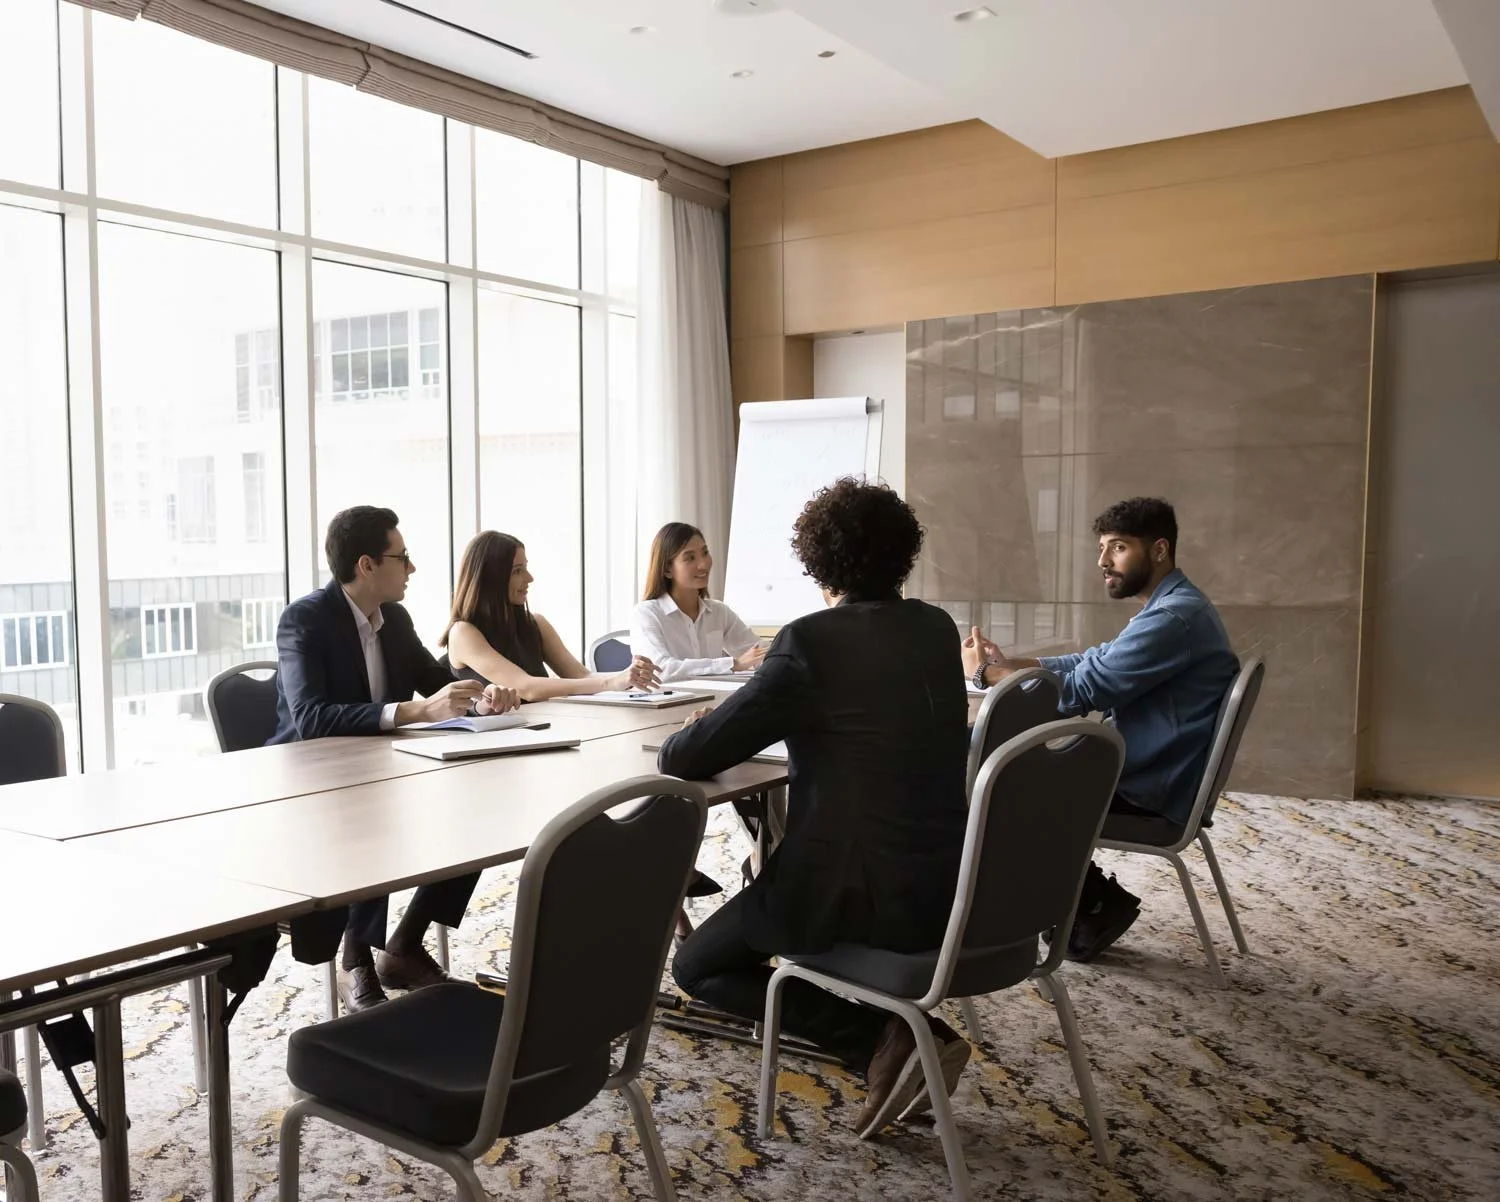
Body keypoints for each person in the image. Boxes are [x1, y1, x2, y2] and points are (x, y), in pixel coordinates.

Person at [661, 478, 972, 1139]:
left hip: (854, 890)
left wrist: (709, 718)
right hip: (950, 881)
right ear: (901, 555)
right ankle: (896, 1041)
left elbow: (685, 759)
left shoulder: (810, 643)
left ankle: (884, 1040)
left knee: (696, 966)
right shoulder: (934, 627)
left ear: (817, 560)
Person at [963, 496, 1238, 962]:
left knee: (994, 790)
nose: (1103, 561)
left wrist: (983, 677)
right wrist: (1011, 665)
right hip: (1153, 769)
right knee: (1005, 779)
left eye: (1118, 547)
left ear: (1159, 550)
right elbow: (1092, 661)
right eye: (1102, 548)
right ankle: (1086, 901)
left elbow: (1082, 691)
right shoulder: (1173, 606)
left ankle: (1087, 905)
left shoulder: (1173, 618)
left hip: (1150, 785)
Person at [268, 506, 521, 1011]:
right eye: (402, 558)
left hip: (384, 764)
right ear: (367, 564)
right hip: (313, 777)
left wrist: (482, 697)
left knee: (478, 815)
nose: (411, 568)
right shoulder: (306, 619)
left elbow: (436, 685)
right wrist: (413, 710)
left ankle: (404, 943)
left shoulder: (395, 619)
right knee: (378, 822)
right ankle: (355, 960)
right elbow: (311, 717)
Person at [441, 530, 660, 698]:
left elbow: (582, 675)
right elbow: (526, 688)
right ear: (491, 578)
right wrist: (611, 683)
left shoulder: (536, 623)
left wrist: (628, 675)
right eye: (517, 570)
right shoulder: (463, 633)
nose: (529, 578)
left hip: (544, 730)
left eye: (525, 567)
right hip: (495, 744)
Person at [630, 522, 764, 682]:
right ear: (667, 569)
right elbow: (661, 670)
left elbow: (757, 651)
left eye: (705, 553)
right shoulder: (646, 614)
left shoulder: (719, 612)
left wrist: (775, 657)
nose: (703, 564)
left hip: (714, 702)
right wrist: (733, 664)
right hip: (669, 704)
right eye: (690, 558)